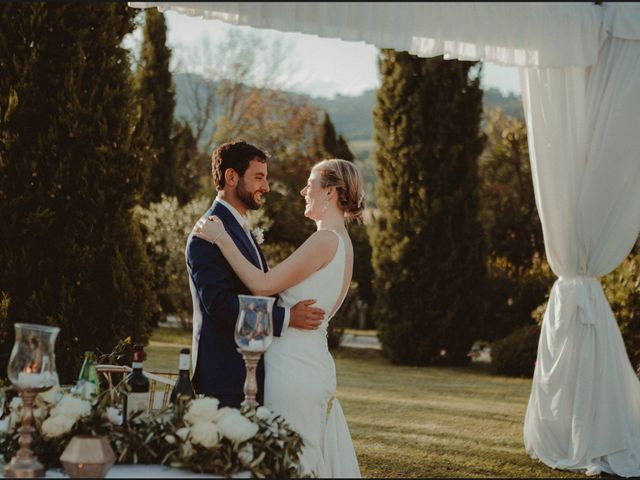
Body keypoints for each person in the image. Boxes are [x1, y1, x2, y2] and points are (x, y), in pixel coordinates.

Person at [193, 158, 363, 478]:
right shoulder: (341, 243)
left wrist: (221, 239)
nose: (303, 191)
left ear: (330, 192)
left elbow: (263, 285)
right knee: (297, 460)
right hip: (309, 362)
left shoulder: (326, 240)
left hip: (294, 371)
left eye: (310, 184)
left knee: (290, 464)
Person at [185, 141, 326, 409]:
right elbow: (220, 305)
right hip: (225, 374)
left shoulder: (236, 226)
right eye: (258, 177)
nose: (267, 187)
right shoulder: (207, 234)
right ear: (231, 177)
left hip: (250, 370)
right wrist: (286, 317)